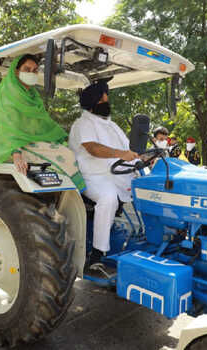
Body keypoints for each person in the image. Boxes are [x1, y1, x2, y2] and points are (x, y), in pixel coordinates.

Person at [0, 54, 85, 192]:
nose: (31, 73)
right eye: (27, 69)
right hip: (12, 144)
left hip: (30, 140)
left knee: (70, 149)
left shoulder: (32, 94)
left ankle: (72, 193)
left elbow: (42, 123)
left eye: (34, 70)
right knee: (65, 155)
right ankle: (78, 194)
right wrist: (16, 152)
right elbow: (8, 125)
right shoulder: (8, 91)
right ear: (16, 71)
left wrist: (60, 136)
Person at [69, 80, 139, 273]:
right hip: (91, 177)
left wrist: (143, 157)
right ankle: (97, 255)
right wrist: (120, 154)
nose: (107, 101)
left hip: (117, 175)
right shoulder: (83, 123)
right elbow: (93, 148)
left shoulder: (112, 125)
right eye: (104, 98)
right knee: (108, 199)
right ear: (94, 102)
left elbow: (129, 150)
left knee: (148, 188)